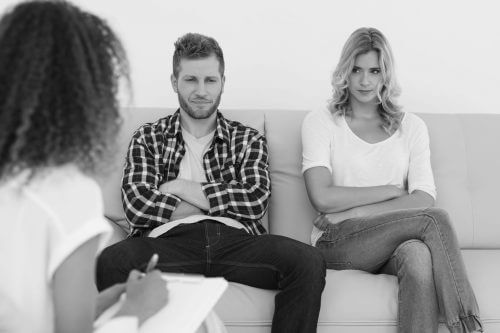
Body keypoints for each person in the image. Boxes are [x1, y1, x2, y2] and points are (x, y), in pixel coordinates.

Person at [96, 32, 326, 333]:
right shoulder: (148, 137)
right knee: (112, 260)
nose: (201, 91)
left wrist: (178, 187)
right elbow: (139, 207)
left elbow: (254, 201)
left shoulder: (247, 139)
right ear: (174, 81)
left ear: (222, 82)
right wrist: (219, 204)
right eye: (191, 80)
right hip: (167, 242)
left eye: (210, 80)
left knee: (308, 261)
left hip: (237, 243)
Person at [0, 1, 168, 332]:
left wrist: (105, 302)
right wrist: (137, 308)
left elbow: (26, 309)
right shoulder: (68, 192)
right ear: (89, 94)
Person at [301, 27, 482, 333]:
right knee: (433, 221)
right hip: (336, 239)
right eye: (356, 70)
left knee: (418, 254)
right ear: (345, 71)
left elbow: (423, 197)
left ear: (386, 75)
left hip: (390, 242)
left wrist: (360, 210)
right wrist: (388, 191)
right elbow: (322, 197)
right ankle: (468, 328)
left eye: (374, 70)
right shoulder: (321, 121)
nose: (364, 80)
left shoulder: (411, 126)